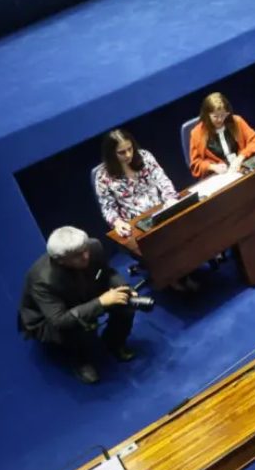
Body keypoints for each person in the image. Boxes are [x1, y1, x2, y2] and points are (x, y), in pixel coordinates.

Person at [18, 226, 137, 384]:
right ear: (59, 260)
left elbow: (107, 273)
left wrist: (124, 288)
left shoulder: (93, 246)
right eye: (77, 256)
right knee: (81, 326)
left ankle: (113, 341)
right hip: (50, 316)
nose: (86, 256)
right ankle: (80, 360)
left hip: (84, 292)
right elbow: (59, 320)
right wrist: (101, 302)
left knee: (126, 304)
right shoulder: (42, 280)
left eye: (85, 249)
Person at [93, 128, 180, 238]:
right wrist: (117, 223)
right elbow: (108, 208)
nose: (128, 155)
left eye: (130, 149)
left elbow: (163, 180)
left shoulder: (145, 156)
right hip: (135, 226)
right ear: (111, 154)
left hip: (161, 212)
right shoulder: (102, 176)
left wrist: (170, 198)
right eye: (122, 152)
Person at [189, 92, 255, 179]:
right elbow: (195, 164)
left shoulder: (237, 121)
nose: (220, 119)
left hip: (241, 169)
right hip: (219, 177)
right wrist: (212, 167)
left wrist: (241, 156)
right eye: (215, 116)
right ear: (207, 115)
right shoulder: (196, 133)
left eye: (223, 115)